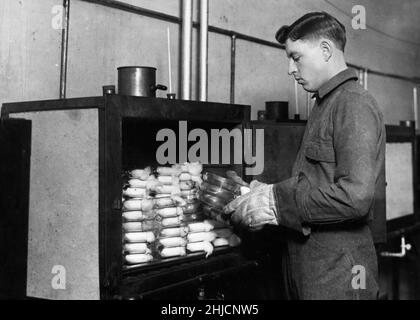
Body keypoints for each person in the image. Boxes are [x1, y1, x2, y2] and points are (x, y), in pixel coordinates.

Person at [224, 11, 385, 300]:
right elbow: (317, 181)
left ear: (325, 50)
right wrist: (267, 191)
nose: (290, 69)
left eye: (296, 57)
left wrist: (277, 201)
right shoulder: (326, 103)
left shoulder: (352, 104)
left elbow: (355, 198)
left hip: (339, 275)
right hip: (312, 268)